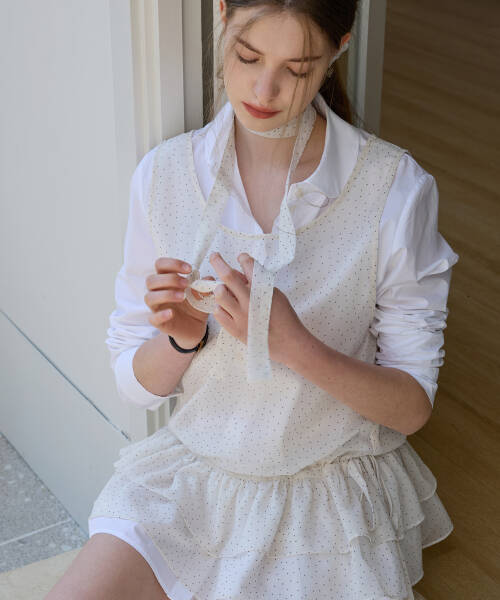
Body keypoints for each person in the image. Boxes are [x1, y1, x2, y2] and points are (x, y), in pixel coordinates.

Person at [46, 1, 459, 599]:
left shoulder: (394, 190)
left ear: (339, 49)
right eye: (247, 57)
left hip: (326, 497)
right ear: (221, 15)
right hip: (192, 483)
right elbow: (135, 386)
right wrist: (181, 339)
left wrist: (294, 347)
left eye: (297, 68)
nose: (264, 90)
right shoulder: (164, 176)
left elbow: (411, 407)